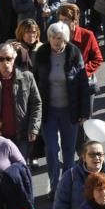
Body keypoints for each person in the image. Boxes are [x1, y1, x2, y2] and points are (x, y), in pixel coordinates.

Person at [34, 22, 90, 196]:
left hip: (70, 111)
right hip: (48, 111)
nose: (55, 41)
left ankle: (67, 186)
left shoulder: (74, 53)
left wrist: (83, 112)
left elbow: (82, 84)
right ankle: (54, 185)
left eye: (59, 38)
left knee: (68, 150)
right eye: (52, 37)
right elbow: (34, 81)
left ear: (65, 39)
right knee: (51, 149)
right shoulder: (42, 54)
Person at [0, 42, 42, 160]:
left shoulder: (27, 77)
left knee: (19, 170)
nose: (5, 62)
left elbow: (36, 103)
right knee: (0, 171)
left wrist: (34, 127)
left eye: (8, 58)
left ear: (14, 58)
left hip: (21, 134)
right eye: (1, 59)